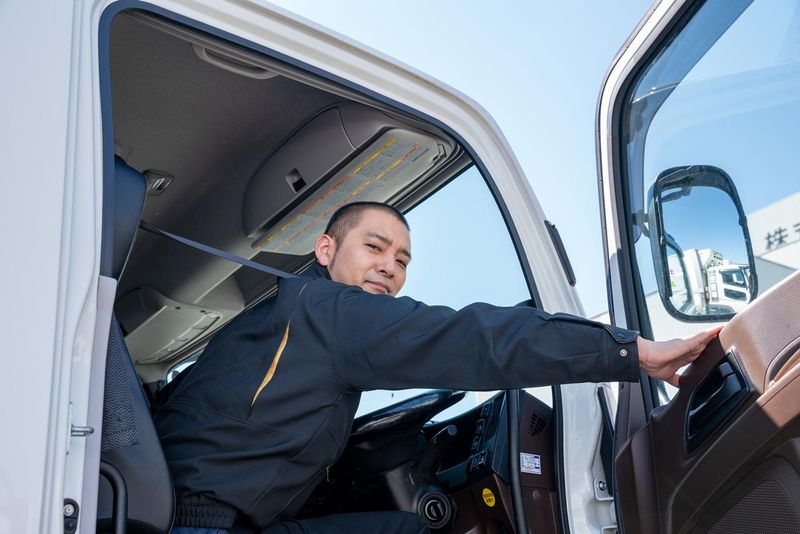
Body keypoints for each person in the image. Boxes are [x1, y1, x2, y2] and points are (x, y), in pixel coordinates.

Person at [155, 202, 720, 534]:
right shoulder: (330, 312)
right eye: (374, 247)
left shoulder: (288, 315)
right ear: (326, 250)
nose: (389, 268)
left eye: (401, 260)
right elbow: (471, 339)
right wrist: (630, 351)